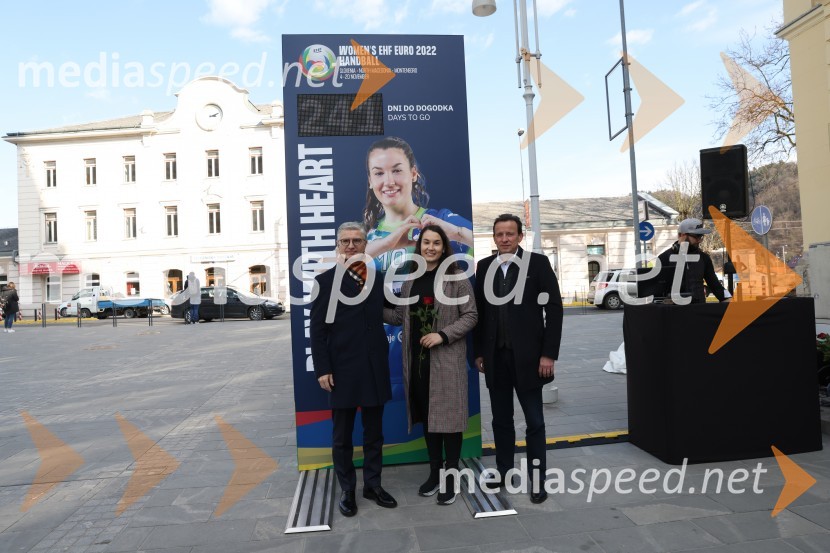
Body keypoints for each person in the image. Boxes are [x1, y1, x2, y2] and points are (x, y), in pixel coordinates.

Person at [383, 225, 477, 505]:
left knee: (450, 421)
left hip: (446, 360)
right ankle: (435, 473)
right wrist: (367, 307)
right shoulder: (411, 279)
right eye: (426, 243)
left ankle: (450, 476)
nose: (431, 248)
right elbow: (400, 316)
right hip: (418, 362)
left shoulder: (456, 277)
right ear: (419, 246)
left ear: (444, 246)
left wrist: (443, 335)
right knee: (430, 419)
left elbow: (471, 315)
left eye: (436, 243)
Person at [473, 214, 563, 504]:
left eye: (510, 233)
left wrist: (548, 354)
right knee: (501, 420)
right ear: (494, 237)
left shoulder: (537, 264)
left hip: (530, 359)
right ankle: (503, 470)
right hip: (495, 358)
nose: (505, 239)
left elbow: (555, 309)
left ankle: (538, 479)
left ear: (520, 236)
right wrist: (478, 352)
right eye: (499, 234)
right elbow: (480, 314)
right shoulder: (485, 267)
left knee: (534, 421)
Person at [310, 221, 397, 517]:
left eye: (356, 241)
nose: (350, 246)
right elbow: (317, 331)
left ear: (365, 244)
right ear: (338, 245)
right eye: (345, 241)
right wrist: (323, 369)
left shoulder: (378, 277)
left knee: (375, 434)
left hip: (374, 367)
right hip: (342, 370)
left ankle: (372, 485)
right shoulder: (325, 282)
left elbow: (392, 310)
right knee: (342, 436)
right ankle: (347, 489)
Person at [362, 136, 474, 273]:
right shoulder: (365, 234)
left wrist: (457, 234)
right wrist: (385, 244)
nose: (389, 181)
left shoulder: (441, 219)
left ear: (413, 173)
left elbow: (488, 248)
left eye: (397, 170)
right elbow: (334, 271)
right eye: (378, 173)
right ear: (370, 181)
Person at [657, 218, 731, 304]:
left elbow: (715, 285)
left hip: (699, 312)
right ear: (682, 235)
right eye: (696, 236)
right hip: (674, 313)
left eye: (701, 237)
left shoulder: (704, 258)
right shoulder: (664, 258)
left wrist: (729, 298)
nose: (699, 241)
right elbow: (658, 291)